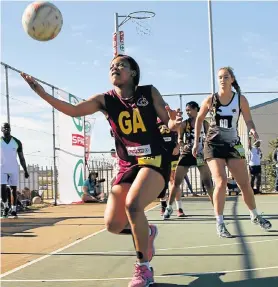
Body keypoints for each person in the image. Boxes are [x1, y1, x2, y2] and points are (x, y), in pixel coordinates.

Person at [21, 54, 182, 287]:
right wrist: (42, 93)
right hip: (128, 164)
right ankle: (146, 233)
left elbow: (168, 121)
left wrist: (174, 124)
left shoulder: (148, 93)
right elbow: (72, 110)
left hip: (154, 160)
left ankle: (143, 268)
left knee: (133, 205)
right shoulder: (105, 100)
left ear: (133, 73)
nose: (115, 68)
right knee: (113, 225)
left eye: (121, 65)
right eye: (111, 66)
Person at [192, 66, 272, 238]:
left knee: (245, 183)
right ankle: (220, 223)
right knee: (220, 182)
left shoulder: (240, 100)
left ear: (232, 80)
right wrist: (196, 142)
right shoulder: (211, 100)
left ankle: (255, 215)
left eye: (226, 77)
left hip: (233, 144)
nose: (222, 79)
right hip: (213, 145)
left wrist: (253, 131)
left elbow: (249, 121)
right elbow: (199, 119)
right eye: (220, 77)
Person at [164, 101, 214, 220]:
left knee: (208, 182)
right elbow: (180, 139)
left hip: (200, 155)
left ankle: (216, 207)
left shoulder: (205, 124)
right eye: (186, 110)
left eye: (190, 110)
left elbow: (209, 139)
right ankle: (169, 207)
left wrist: (206, 150)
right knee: (176, 182)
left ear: (197, 109)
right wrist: (182, 145)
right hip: (187, 154)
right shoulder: (184, 124)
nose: (188, 112)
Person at [1, 123, 29, 218]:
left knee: (14, 189)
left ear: (10, 129)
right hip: (2, 167)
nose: (6, 129)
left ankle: (13, 209)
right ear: (1, 130)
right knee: (2, 187)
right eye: (4, 128)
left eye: (8, 128)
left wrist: (25, 170)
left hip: (13, 167)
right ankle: (5, 207)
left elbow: (21, 158)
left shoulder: (16, 142)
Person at [156, 118, 182, 216]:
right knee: (161, 181)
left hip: (173, 154)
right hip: (160, 155)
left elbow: (181, 135)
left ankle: (179, 207)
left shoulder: (172, 122)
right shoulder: (154, 122)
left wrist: (178, 147)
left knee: (174, 181)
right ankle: (163, 206)